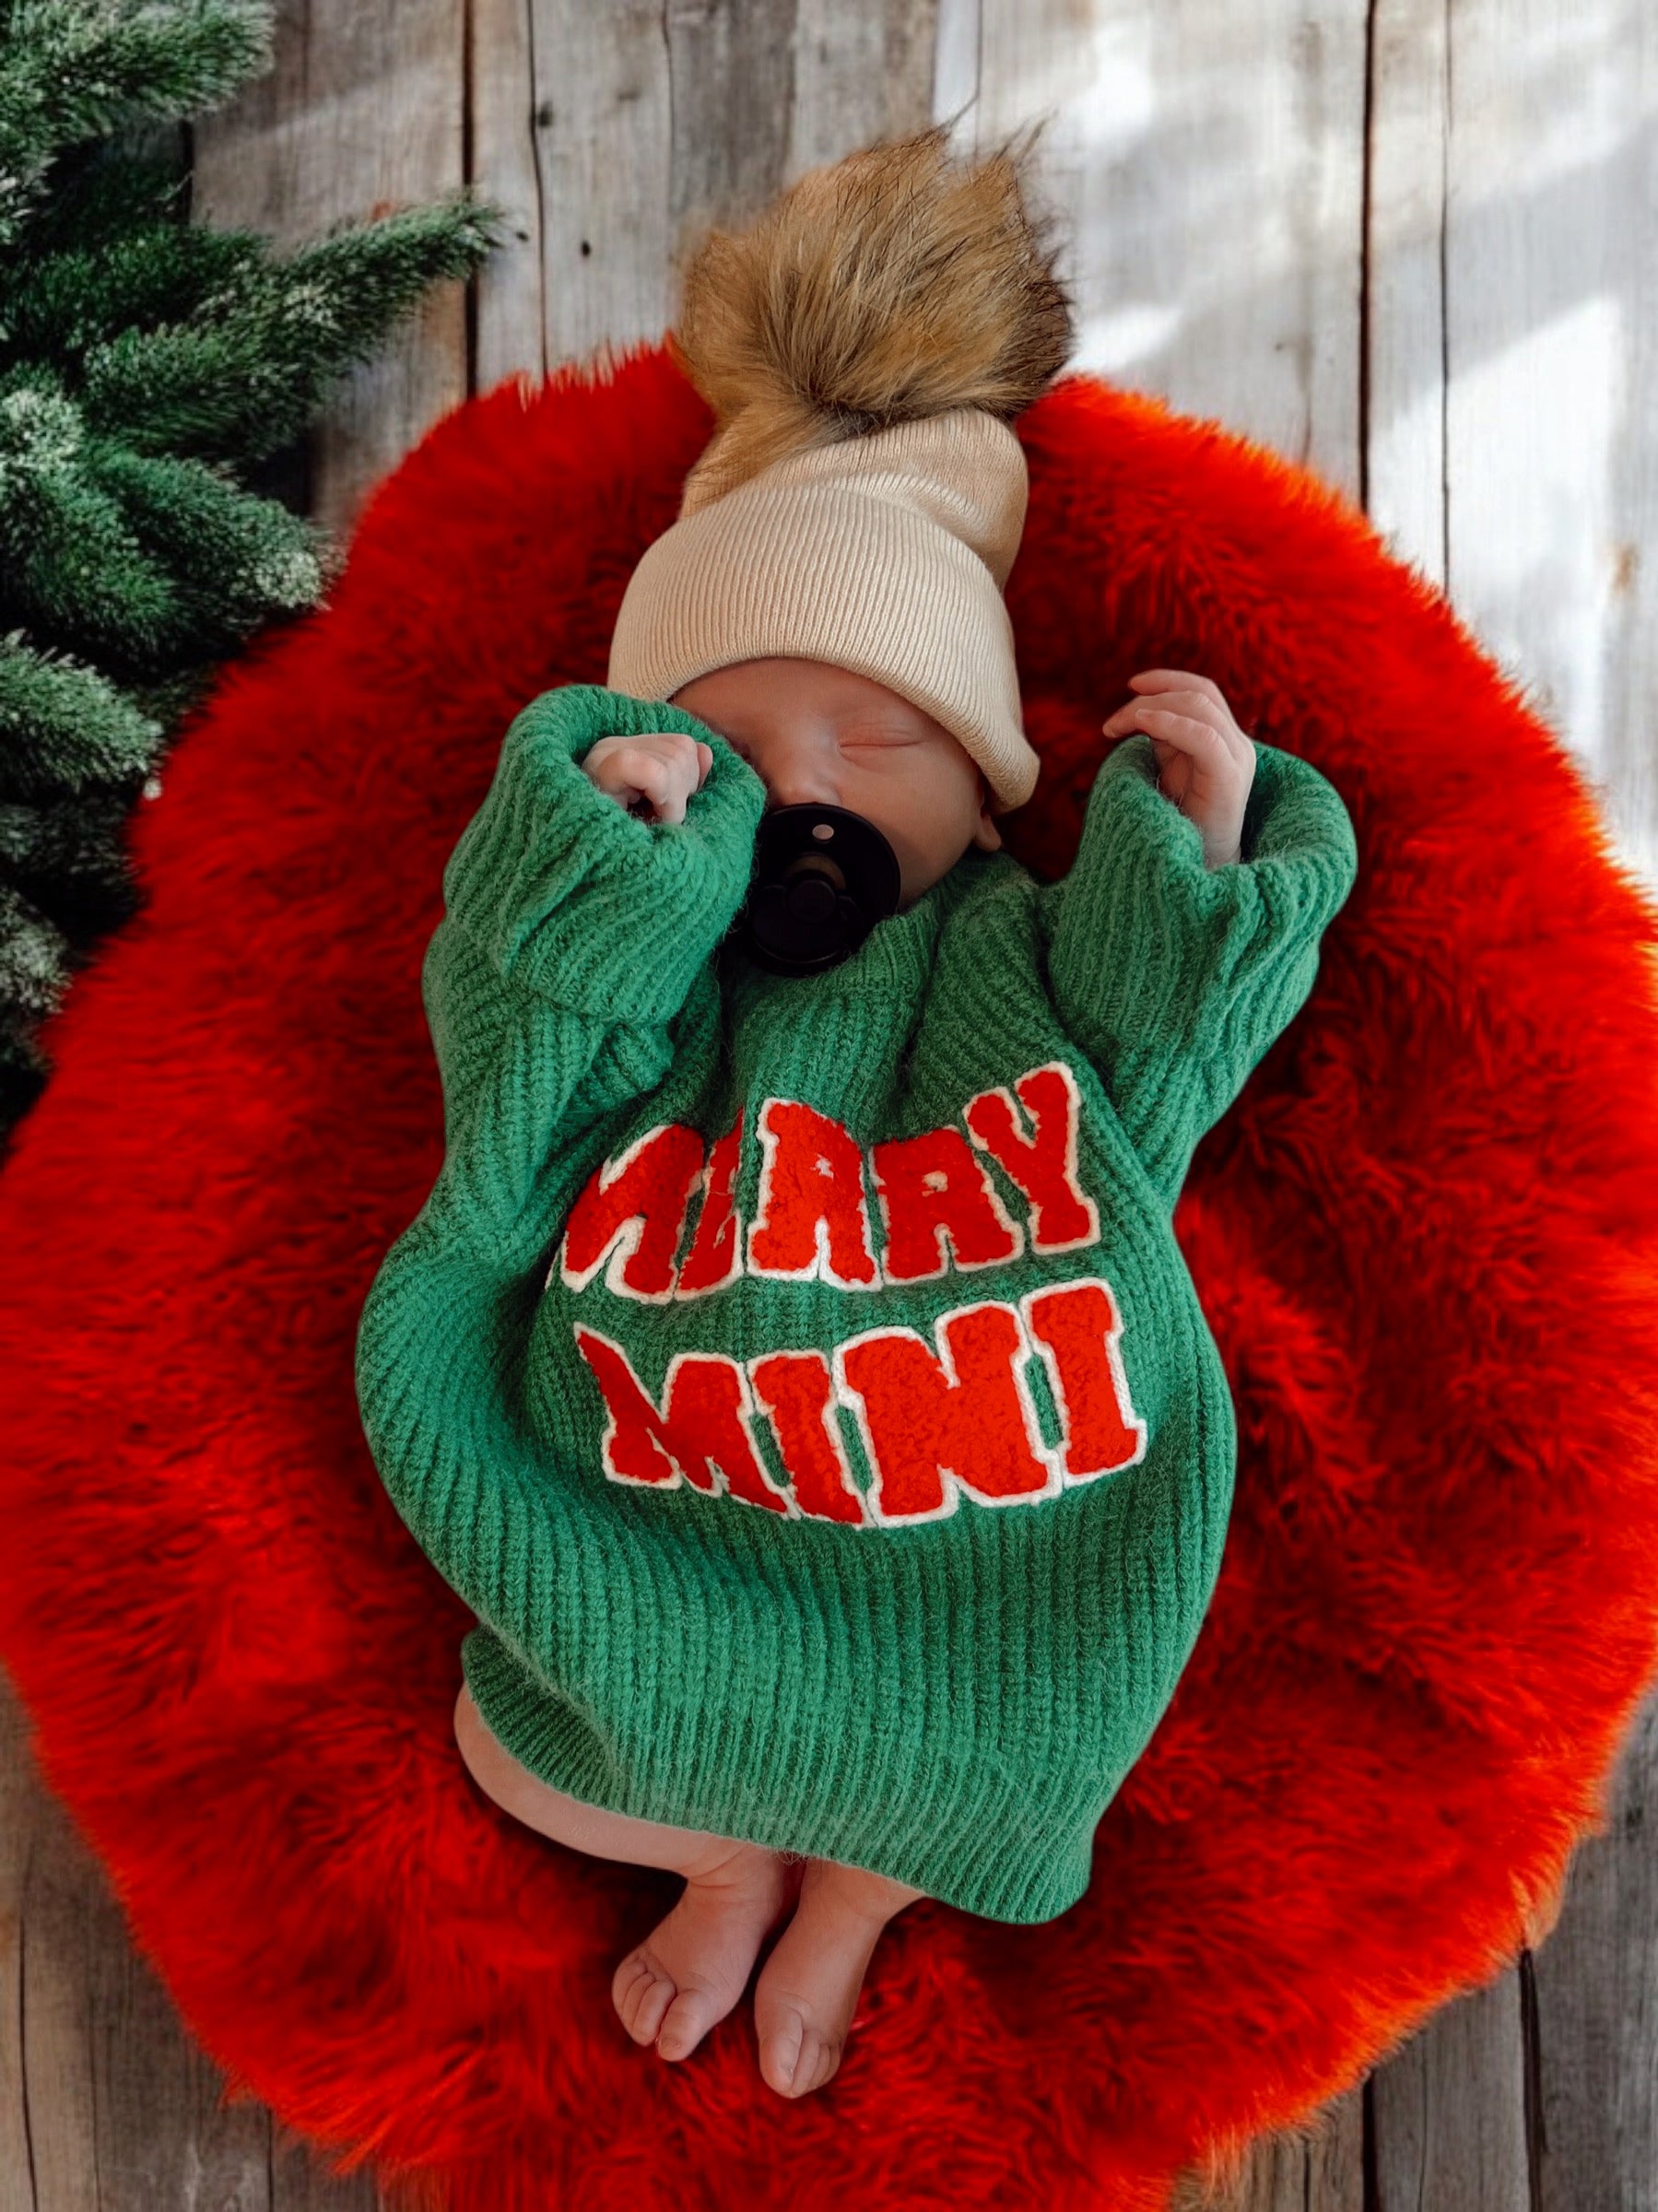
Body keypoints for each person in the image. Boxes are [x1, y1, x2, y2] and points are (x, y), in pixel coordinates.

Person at [356, 124, 1358, 2101]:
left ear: (984, 785)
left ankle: (857, 1896)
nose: (804, 788)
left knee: (1002, 1729)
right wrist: (618, 868)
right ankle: (724, 1860)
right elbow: (515, 1079)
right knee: (518, 1729)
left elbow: (1169, 1048)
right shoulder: (661, 981)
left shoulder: (1019, 960)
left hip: (985, 1553)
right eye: (730, 750)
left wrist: (1201, 837)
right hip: (664, 1527)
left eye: (877, 738)